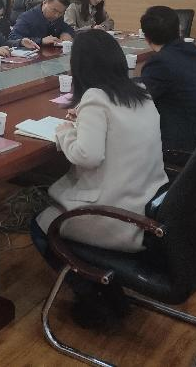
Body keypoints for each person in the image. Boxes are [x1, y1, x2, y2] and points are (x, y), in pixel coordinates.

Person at [32, 30, 167, 327]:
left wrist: (65, 132)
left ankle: (93, 294)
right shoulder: (140, 92)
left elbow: (86, 156)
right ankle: (105, 289)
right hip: (147, 203)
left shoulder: (95, 98)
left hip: (114, 213)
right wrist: (83, 123)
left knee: (40, 224)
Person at [140, 6, 196, 153]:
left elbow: (140, 101)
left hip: (183, 148)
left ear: (146, 38)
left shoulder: (160, 62)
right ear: (179, 30)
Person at [8, 0, 75, 46]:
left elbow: (67, 28)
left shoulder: (57, 17)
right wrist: (41, 40)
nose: (57, 15)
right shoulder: (27, 17)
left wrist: (67, 33)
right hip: (32, 54)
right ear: (45, 2)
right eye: (54, 10)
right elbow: (13, 38)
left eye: (61, 12)